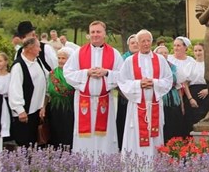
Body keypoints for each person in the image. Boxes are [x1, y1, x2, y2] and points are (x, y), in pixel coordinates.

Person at [64, 21, 123, 155]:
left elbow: (122, 75)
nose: (95, 35)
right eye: (92, 32)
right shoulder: (78, 53)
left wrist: (106, 73)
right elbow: (68, 73)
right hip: (84, 101)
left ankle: (105, 166)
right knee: (85, 136)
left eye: (98, 32)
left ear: (104, 34)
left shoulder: (114, 53)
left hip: (105, 100)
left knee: (105, 136)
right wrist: (86, 73)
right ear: (88, 34)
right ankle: (84, 165)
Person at [118, 29, 173, 158]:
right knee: (136, 136)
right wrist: (139, 84)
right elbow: (122, 82)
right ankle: (136, 167)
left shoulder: (160, 60)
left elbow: (168, 79)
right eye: (143, 41)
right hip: (137, 107)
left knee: (155, 136)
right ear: (137, 43)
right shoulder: (130, 61)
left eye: (148, 41)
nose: (146, 43)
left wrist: (154, 83)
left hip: (155, 105)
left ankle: (155, 166)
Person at [9, 37, 48, 147]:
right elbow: (14, 89)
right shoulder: (18, 66)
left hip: (36, 111)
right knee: (24, 144)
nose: (40, 50)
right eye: (38, 47)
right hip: (24, 114)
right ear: (30, 49)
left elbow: (46, 78)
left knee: (34, 143)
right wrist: (20, 110)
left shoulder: (37, 61)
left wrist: (42, 105)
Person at [154, 45, 185, 141]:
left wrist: (182, 104)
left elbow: (179, 86)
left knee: (174, 122)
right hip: (160, 98)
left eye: (165, 53)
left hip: (173, 98)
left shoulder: (174, 67)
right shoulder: (153, 67)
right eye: (161, 53)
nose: (163, 55)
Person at [46, 48, 75, 149]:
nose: (60, 60)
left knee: (67, 131)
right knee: (55, 130)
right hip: (54, 108)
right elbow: (47, 92)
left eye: (63, 58)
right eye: (59, 58)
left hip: (69, 108)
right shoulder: (52, 74)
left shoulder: (73, 73)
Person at [116, 33, 139, 150]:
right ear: (128, 45)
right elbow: (118, 80)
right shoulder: (122, 59)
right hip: (124, 97)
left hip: (140, 98)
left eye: (136, 42)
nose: (135, 45)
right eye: (132, 43)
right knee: (124, 122)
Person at [184, 42, 209, 131]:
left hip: (207, 94)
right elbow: (185, 84)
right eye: (195, 51)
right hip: (193, 94)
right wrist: (190, 99)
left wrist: (208, 90)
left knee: (205, 118)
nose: (198, 53)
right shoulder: (190, 65)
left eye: (200, 50)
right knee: (193, 119)